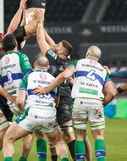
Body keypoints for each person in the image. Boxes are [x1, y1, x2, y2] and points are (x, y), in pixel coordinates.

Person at [34, 46, 117, 161]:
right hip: (96, 102)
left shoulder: (78, 63)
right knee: (98, 136)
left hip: (79, 101)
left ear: (87, 54)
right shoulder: (102, 70)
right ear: (98, 58)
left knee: (79, 136)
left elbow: (64, 76)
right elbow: (112, 93)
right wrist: (101, 105)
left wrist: (47, 89)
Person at [35, 10, 92, 161]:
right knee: (56, 132)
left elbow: (40, 39)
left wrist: (39, 23)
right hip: (67, 96)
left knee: (66, 134)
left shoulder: (54, 59)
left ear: (60, 51)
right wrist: (43, 26)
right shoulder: (65, 60)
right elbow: (52, 43)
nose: (55, 45)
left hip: (58, 97)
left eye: (57, 45)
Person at [3, 56, 69, 161]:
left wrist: (22, 110)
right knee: (58, 142)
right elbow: (57, 102)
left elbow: (20, 101)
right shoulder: (53, 80)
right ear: (48, 66)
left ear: (34, 64)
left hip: (32, 112)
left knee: (8, 138)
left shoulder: (28, 77)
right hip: (49, 114)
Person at [0, 33, 37, 161]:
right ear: (16, 44)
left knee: (23, 130)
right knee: (31, 132)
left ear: (3, 48)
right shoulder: (21, 56)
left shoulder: (0, 62)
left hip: (12, 102)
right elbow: (29, 74)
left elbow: (1, 84)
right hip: (23, 99)